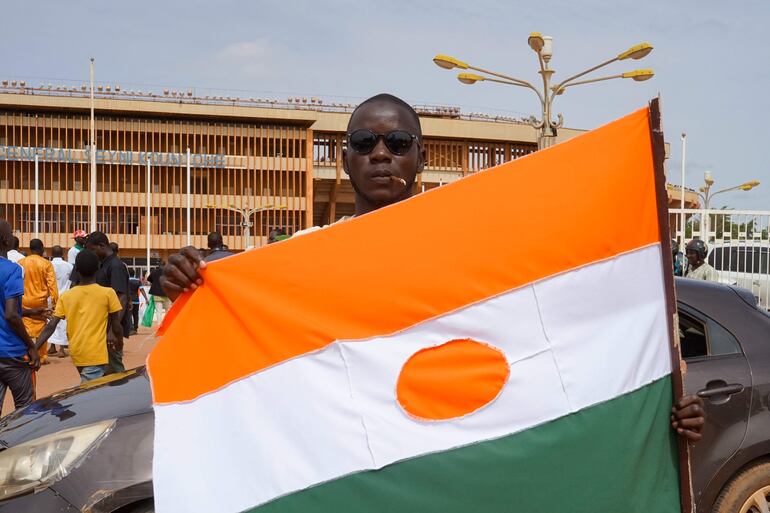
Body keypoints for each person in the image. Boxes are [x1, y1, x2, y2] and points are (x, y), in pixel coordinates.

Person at [159, 93, 707, 442]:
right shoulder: (298, 259)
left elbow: (558, 341)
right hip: (355, 464)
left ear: (419, 159)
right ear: (344, 159)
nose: (380, 153)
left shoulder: (476, 259)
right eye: (364, 142)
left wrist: (651, 402)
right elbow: (246, 346)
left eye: (397, 142)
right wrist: (186, 282)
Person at [35, 250, 123, 383]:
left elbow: (51, 326)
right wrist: (120, 346)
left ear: (77, 271)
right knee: (89, 393)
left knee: (99, 387)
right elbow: (116, 325)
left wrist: (35, 348)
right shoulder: (108, 293)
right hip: (97, 353)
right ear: (98, 268)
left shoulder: (66, 296)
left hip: (77, 352)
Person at [0, 220, 40, 413]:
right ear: (6, 240)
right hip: (12, 352)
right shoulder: (12, 270)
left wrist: (29, 312)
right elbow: (10, 315)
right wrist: (31, 345)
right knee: (25, 411)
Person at [85, 231, 129, 373]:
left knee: (114, 369)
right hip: (103, 327)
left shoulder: (115, 266)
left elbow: (121, 298)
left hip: (111, 329)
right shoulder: (104, 264)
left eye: (92, 249)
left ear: (102, 245)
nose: (92, 254)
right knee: (105, 369)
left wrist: (112, 331)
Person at [19, 239, 58, 365]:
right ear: (41, 248)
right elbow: (52, 285)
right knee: (42, 328)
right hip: (39, 302)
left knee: (24, 326)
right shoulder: (46, 264)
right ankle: (40, 356)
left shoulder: (20, 263)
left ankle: (24, 353)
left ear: (30, 249)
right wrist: (55, 303)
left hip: (24, 300)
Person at [48, 245, 73, 358]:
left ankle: (52, 346)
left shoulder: (49, 265)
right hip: (65, 296)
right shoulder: (69, 266)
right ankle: (61, 349)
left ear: (52, 254)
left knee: (50, 320)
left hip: (51, 297)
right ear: (62, 254)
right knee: (63, 322)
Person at [129, 268, 148, 334]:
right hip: (136, 300)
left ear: (128, 273)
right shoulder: (138, 281)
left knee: (129, 315)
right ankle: (135, 329)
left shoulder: (126, 280)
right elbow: (142, 290)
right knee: (135, 315)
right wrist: (146, 298)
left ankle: (130, 329)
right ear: (134, 273)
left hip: (129, 301)